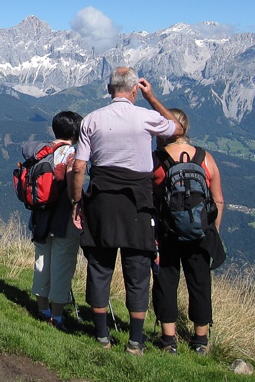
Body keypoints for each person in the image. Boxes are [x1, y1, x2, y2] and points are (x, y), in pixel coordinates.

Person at [68, 67, 184, 355]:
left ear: (109, 90)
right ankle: (135, 341)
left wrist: (76, 201)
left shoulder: (92, 120)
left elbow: (80, 166)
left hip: (102, 201)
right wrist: (153, 98)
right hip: (138, 202)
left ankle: (101, 335)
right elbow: (178, 129)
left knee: (99, 267)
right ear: (134, 90)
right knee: (137, 270)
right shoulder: (146, 116)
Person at [152, 108, 225, 356]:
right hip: (200, 233)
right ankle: (200, 341)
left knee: (166, 282)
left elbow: (152, 196)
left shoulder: (158, 160)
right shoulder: (206, 158)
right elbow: (218, 200)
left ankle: (169, 340)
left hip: (168, 232)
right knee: (200, 282)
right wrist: (212, 230)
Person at [27, 111, 83, 331]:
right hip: (62, 217)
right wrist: (77, 203)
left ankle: (43, 309)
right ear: (74, 132)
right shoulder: (71, 154)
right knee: (62, 264)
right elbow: (72, 183)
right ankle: (57, 316)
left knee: (42, 261)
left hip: (40, 214)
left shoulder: (41, 151)